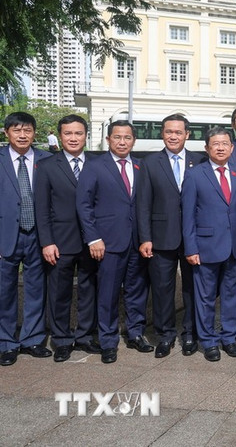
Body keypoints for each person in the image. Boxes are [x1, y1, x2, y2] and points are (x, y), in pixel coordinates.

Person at [76, 120, 151, 364]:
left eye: (127, 137)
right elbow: (84, 205)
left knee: (137, 290)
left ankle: (135, 333)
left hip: (137, 242)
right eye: (117, 137)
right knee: (108, 293)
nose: (122, 141)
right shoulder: (95, 166)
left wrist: (146, 238)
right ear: (108, 139)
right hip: (107, 242)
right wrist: (93, 238)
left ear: (133, 141)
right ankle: (108, 340)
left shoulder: (141, 166)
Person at [137, 114, 204, 358]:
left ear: (187, 134)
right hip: (160, 237)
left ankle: (190, 333)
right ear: (162, 134)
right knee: (162, 289)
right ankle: (165, 335)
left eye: (178, 132)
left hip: (192, 238)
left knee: (191, 288)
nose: (173, 136)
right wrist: (145, 237)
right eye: (168, 132)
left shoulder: (200, 160)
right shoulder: (150, 162)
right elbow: (142, 203)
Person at [35, 115, 100, 362]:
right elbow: (42, 208)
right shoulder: (48, 166)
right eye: (68, 134)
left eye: (78, 133)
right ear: (60, 136)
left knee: (89, 290)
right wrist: (46, 242)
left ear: (86, 135)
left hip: (92, 241)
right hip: (60, 241)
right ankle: (61, 340)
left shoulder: (98, 163)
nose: (73, 138)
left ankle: (84, 336)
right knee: (59, 292)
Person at [182, 127, 236, 362]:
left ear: (232, 147)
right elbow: (187, 214)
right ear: (207, 148)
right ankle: (208, 340)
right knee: (205, 297)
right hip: (205, 246)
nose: (220, 148)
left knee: (232, 295)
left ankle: (229, 338)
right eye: (215, 144)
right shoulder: (195, 174)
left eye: (225, 144)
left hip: (233, 246)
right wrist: (190, 248)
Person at [0, 112, 53, 366]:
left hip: (38, 236)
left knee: (36, 288)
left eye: (28, 130)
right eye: (16, 130)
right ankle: (6, 343)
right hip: (5, 235)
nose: (22, 135)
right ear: (6, 132)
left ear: (34, 133)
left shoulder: (46, 159)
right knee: (4, 292)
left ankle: (32, 338)